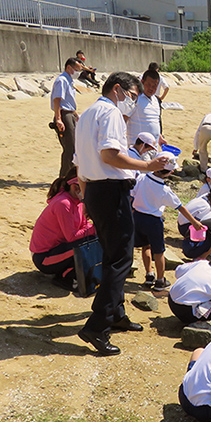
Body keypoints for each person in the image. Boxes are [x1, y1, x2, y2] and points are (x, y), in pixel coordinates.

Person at [73, 72, 170, 356]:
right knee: (121, 259)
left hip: (94, 191)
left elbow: (80, 163)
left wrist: (86, 199)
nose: (133, 102)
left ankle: (115, 312)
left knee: (111, 254)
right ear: (117, 90)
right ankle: (97, 325)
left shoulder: (88, 114)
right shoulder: (111, 112)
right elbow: (109, 155)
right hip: (110, 192)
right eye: (132, 96)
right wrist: (148, 166)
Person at [132, 152, 204, 292]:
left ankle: (149, 275)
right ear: (169, 172)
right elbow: (180, 207)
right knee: (158, 252)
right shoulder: (164, 190)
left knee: (145, 247)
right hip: (153, 221)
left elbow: (132, 195)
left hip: (138, 217)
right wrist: (194, 222)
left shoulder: (141, 178)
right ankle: (160, 281)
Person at [29, 168, 96, 290]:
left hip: (59, 249)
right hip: (44, 257)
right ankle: (64, 277)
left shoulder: (77, 202)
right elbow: (72, 236)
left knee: (92, 239)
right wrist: (95, 230)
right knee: (88, 241)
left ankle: (70, 272)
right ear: (75, 188)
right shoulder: (63, 203)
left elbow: (84, 225)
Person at [50, 57, 81, 178]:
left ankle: (69, 175)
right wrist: (58, 119)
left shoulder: (69, 81)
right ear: (69, 67)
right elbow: (57, 100)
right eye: (76, 70)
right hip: (64, 115)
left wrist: (75, 114)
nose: (77, 73)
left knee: (73, 147)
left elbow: (69, 101)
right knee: (70, 148)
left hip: (70, 114)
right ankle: (64, 177)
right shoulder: (62, 80)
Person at [127, 69, 165, 145]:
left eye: (154, 86)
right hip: (137, 148)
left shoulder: (156, 100)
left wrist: (159, 137)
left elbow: (155, 121)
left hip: (153, 147)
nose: (151, 88)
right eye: (148, 85)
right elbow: (123, 119)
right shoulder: (135, 98)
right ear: (142, 82)